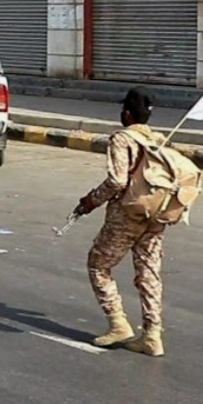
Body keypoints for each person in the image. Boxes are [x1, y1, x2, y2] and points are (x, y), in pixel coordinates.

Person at [75, 87, 169, 357]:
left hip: (126, 216)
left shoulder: (122, 138)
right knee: (149, 274)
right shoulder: (160, 140)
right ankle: (152, 336)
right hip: (155, 214)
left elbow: (117, 180)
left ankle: (118, 323)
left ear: (126, 114)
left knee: (98, 264)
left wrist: (91, 200)